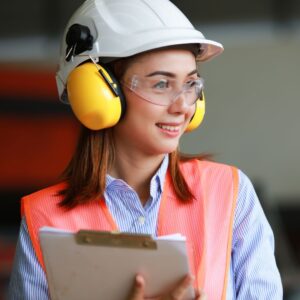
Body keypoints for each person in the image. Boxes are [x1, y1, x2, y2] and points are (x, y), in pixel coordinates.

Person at [8, 0, 283, 299]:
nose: (182, 106)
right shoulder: (44, 217)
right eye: (162, 84)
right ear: (99, 93)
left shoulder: (230, 194)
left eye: (190, 84)